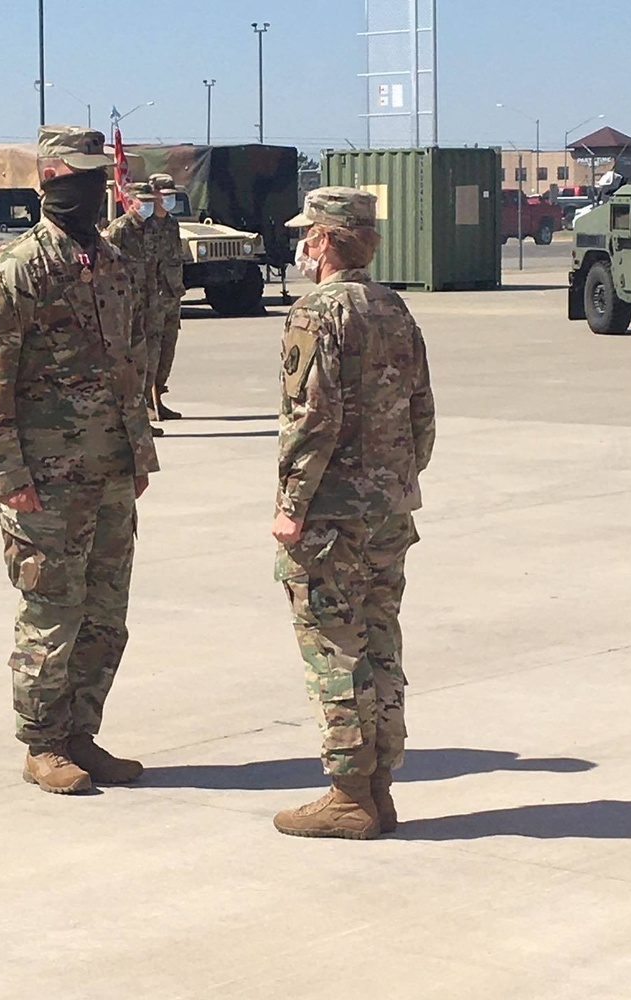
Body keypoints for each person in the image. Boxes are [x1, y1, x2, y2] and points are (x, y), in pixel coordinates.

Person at [0, 125, 160, 795]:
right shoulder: (18, 268)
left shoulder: (114, 264)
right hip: (44, 479)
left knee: (106, 614)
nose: (91, 189)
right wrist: (8, 473)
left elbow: (130, 365)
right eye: (76, 178)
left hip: (108, 474)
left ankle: (82, 733)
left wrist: (138, 454)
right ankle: (42, 743)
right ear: (48, 181)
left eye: (96, 178)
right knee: (51, 610)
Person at [271, 187, 435, 839]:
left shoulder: (316, 313)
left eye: (306, 235)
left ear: (324, 241)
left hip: (331, 515)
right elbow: (422, 412)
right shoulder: (393, 308)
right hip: (388, 510)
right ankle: (378, 786)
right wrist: (396, 479)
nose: (302, 247)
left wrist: (291, 506)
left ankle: (347, 792)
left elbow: (311, 418)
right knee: (379, 642)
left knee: (333, 646)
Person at [103, 181, 163, 437]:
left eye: (151, 201)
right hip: (124, 304)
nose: (149, 206)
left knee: (146, 360)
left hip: (147, 303)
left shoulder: (150, 227)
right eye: (144, 201)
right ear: (130, 202)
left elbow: (153, 265)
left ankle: (142, 417)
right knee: (125, 363)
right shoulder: (119, 230)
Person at [146, 173, 186, 420]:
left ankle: (159, 396)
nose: (169, 199)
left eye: (172, 195)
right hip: (151, 297)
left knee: (167, 351)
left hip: (172, 294)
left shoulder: (172, 224)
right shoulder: (144, 224)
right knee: (150, 352)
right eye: (165, 195)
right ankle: (147, 403)